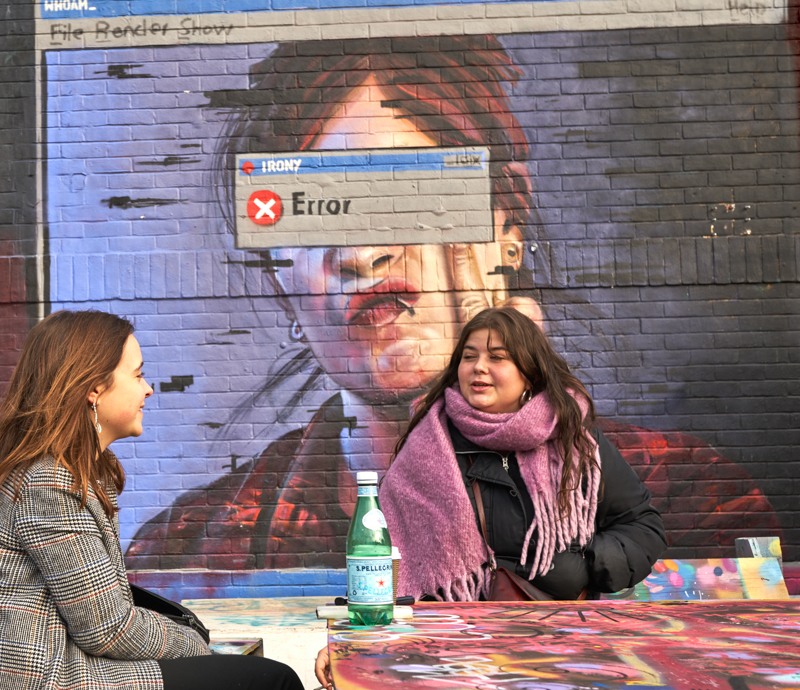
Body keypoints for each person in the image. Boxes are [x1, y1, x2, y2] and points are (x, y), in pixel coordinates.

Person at [126, 34, 779, 575]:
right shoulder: (189, 553)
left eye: (405, 192)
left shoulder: (694, 499)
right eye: (308, 214)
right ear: (280, 286)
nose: (360, 252)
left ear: (507, 223)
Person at [0, 309, 354, 690]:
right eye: (138, 374)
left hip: (85, 683)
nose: (148, 390)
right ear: (92, 389)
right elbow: (108, 627)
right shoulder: (50, 483)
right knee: (275, 684)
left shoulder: (77, 474)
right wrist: (196, 646)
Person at [376, 305, 666, 690]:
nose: (478, 368)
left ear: (529, 372)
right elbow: (392, 561)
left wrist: (586, 563)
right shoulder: (427, 449)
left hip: (566, 640)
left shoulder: (575, 438)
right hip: (465, 651)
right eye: (468, 357)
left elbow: (643, 526)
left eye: (497, 357)